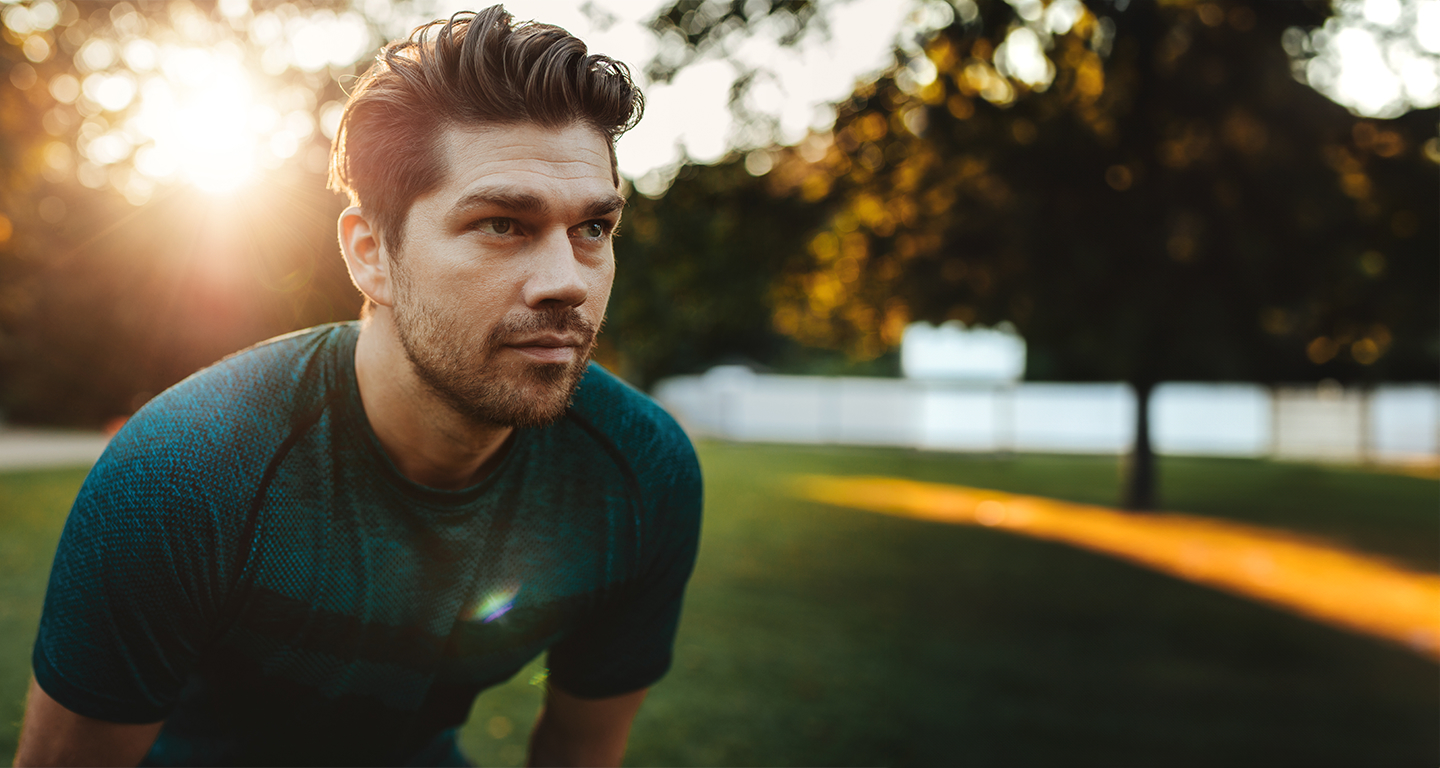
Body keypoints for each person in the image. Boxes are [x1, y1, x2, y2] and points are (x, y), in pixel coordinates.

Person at [14, 6, 702, 766]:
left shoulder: (639, 471)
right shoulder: (183, 476)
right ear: (371, 252)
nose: (566, 282)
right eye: (503, 223)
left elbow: (581, 749)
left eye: (594, 229)